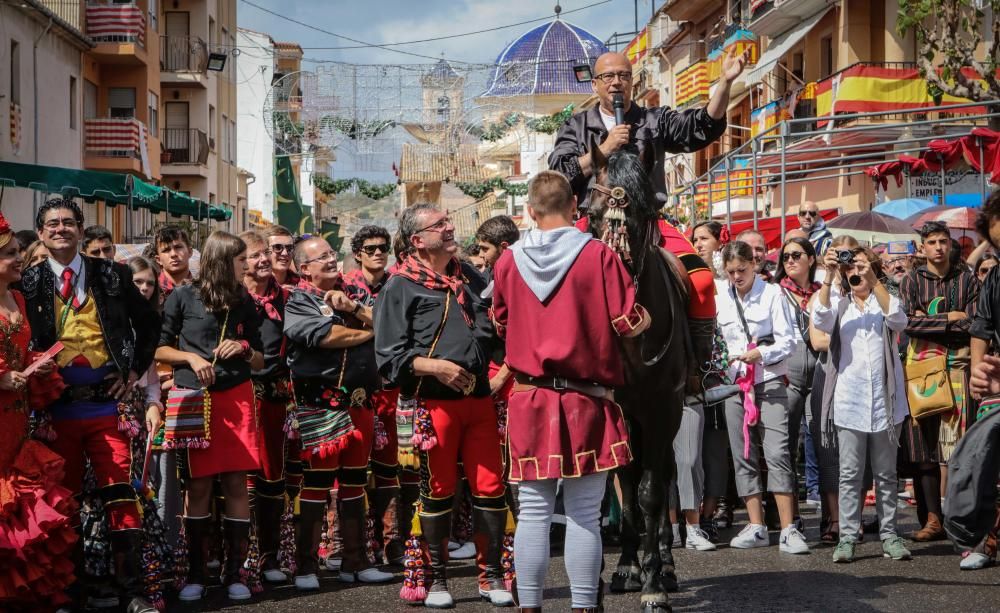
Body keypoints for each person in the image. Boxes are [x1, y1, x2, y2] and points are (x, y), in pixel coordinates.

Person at [491, 171, 648, 608]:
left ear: (530, 211)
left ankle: (530, 607)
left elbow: (499, 322)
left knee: (534, 514)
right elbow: (628, 322)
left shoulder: (508, 260)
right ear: (575, 205)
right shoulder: (598, 255)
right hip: (587, 398)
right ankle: (582, 606)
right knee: (584, 515)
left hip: (530, 398)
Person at [20, 198, 159, 613]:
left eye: (67, 222)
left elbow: (149, 322)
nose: (60, 229)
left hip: (105, 405)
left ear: (81, 229)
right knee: (65, 502)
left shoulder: (113, 274)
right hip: (56, 410)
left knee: (120, 494)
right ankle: (72, 593)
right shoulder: (27, 282)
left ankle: (130, 593)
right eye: (51, 224)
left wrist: (133, 371)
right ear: (41, 233)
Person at [374, 204, 511, 608]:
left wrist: (501, 370)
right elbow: (388, 358)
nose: (450, 227)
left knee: (491, 489)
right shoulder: (398, 286)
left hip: (479, 400)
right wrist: (435, 367)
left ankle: (493, 577)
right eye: (440, 225)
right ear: (418, 240)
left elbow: (492, 328)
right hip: (433, 405)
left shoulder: (468, 275)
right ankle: (436, 581)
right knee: (438, 491)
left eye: (449, 220)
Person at [155, 231, 265, 602]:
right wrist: (192, 358)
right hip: (196, 401)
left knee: (236, 485)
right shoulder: (183, 296)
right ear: (222, 261)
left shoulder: (244, 300)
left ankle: (235, 573)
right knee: (198, 487)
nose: (247, 266)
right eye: (240, 260)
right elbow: (160, 349)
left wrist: (245, 347)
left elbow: (261, 358)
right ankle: (196, 574)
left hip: (236, 399)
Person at [283, 236, 394, 589]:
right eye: (322, 257)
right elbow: (325, 336)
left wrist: (356, 309)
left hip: (360, 402)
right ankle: (306, 567)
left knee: (355, 483)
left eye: (332, 254)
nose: (332, 260)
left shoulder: (355, 294)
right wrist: (366, 331)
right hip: (319, 403)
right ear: (304, 269)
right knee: (316, 486)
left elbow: (388, 325)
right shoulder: (298, 300)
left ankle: (356, 561)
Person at [813, 246, 912, 563]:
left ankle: (890, 535)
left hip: (886, 400)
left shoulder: (884, 301)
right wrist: (829, 276)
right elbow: (820, 318)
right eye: (850, 268)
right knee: (850, 474)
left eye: (860, 266)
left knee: (886, 474)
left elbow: (898, 319)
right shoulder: (840, 306)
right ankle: (847, 537)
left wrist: (873, 277)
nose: (855, 273)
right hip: (850, 400)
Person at [0, 211, 76, 610]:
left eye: (17, 251)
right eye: (10, 254)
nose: (19, 259)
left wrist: (36, 361)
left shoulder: (18, 298)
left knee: (19, 495)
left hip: (17, 414)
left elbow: (19, 349)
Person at [715, 241, 806, 554]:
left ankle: (788, 528)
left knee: (778, 452)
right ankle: (756, 526)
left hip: (768, 382)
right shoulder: (720, 297)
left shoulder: (772, 294)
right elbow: (716, 339)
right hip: (735, 385)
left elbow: (790, 340)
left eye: (742, 270)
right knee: (743, 455)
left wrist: (760, 353)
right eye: (731, 272)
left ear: (753, 265)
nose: (737, 277)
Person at [899, 221, 980, 542]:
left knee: (962, 448)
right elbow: (907, 323)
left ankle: (963, 518)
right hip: (921, 369)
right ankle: (931, 520)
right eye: (931, 241)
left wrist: (928, 320)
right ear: (922, 247)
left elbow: (973, 324)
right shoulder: (912, 280)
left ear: (949, 244)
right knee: (923, 447)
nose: (938, 247)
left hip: (960, 368)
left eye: (942, 241)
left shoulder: (967, 278)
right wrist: (951, 317)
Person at [341, 225, 409, 566]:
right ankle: (345, 544)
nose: (379, 252)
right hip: (353, 389)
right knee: (349, 471)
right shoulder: (343, 286)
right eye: (370, 248)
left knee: (388, 469)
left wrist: (361, 318)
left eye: (383, 247)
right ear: (358, 253)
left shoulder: (399, 283)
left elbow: (397, 330)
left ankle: (391, 543)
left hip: (391, 389)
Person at [238, 231, 295, 584]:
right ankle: (241, 556)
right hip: (239, 394)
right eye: (256, 256)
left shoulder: (288, 297)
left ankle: (270, 557)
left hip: (275, 396)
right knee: (239, 480)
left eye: (265, 255)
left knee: (273, 478)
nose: (264, 261)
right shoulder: (229, 299)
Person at [126, 256, 178, 546]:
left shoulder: (151, 319)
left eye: (150, 283)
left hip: (141, 407)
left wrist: (153, 403)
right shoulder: (114, 317)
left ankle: (148, 550)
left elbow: (151, 376)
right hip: (117, 404)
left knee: (145, 479)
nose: (144, 288)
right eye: (138, 282)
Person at [773, 237, 822, 523]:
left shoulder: (821, 292)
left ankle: (832, 516)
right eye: (786, 257)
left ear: (811, 259)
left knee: (823, 442)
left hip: (819, 373)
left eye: (796, 255)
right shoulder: (776, 293)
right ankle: (789, 518)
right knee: (787, 446)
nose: (790, 261)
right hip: (788, 375)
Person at [964, 190, 1000, 570]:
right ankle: (988, 540)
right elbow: (981, 327)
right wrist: (978, 375)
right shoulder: (996, 276)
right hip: (997, 386)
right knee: (991, 470)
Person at [153, 225, 194, 302]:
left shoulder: (204, 290)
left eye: (178, 247)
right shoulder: (151, 290)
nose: (173, 254)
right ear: (158, 260)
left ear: (190, 252)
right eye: (166, 250)